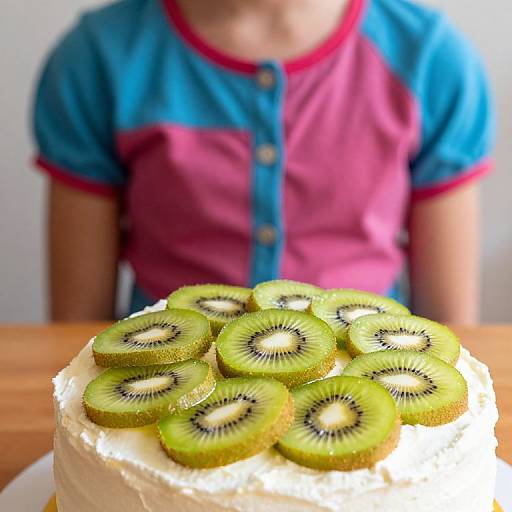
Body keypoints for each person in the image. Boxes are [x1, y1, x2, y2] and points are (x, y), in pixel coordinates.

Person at [33, 0, 495, 323]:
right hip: (163, 387)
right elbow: (78, 324)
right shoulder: (96, 59)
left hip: (367, 390)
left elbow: (449, 322)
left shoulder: (432, 61)